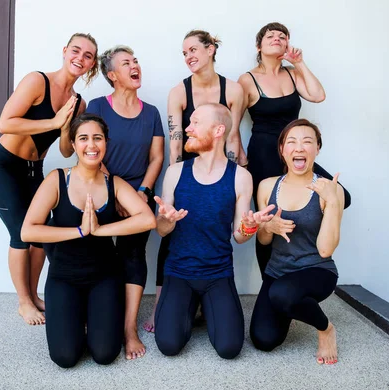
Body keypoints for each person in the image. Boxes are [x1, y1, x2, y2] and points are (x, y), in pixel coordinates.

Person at [0, 33, 98, 325]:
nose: (80, 58)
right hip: (2, 165)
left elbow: (65, 149)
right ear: (64, 51)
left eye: (88, 56)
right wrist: (54, 121)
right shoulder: (37, 81)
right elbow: (5, 123)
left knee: (39, 235)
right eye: (76, 51)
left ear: (92, 65)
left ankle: (32, 296)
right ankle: (23, 303)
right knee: (21, 232)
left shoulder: (78, 103)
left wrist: (70, 129)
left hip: (34, 170)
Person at [20, 114, 156, 368]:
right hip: (64, 277)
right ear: (73, 144)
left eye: (98, 138)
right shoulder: (57, 180)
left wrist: (100, 230)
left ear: (106, 143)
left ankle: (89, 316)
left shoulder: (114, 183)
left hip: (104, 277)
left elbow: (147, 219)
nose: (91, 145)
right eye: (83, 138)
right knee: (65, 357)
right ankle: (78, 315)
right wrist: (80, 231)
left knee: (105, 355)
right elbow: (28, 231)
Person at [144, 29, 246, 333]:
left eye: (193, 50)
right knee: (174, 231)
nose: (189, 57)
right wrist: (179, 182)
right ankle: (163, 306)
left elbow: (232, 133)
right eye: (184, 53)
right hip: (187, 167)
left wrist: (227, 175)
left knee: (214, 230)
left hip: (221, 164)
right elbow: (177, 142)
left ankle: (209, 298)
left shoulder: (234, 90)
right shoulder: (178, 92)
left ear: (211, 49)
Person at [154, 104, 274, 359]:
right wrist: (167, 220)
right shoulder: (175, 172)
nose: (187, 128)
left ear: (218, 130)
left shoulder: (241, 176)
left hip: (217, 274)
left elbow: (240, 236)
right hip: (179, 272)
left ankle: (204, 308)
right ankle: (193, 309)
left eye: (195, 122)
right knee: (168, 346)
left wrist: (251, 225)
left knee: (229, 349)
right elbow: (162, 231)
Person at [238, 22, 351, 276]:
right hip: (264, 152)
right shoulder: (248, 79)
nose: (277, 38)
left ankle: (305, 262)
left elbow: (318, 95)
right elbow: (234, 124)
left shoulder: (291, 73)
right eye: (270, 36)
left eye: (283, 36)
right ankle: (271, 281)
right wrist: (241, 161)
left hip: (296, 152)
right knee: (267, 217)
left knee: (341, 195)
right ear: (259, 45)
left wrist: (299, 62)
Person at [86, 45, 164, 360]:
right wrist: (115, 190)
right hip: (101, 184)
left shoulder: (152, 113)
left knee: (132, 253)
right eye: (126, 63)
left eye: (136, 61)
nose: (135, 66)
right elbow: (90, 148)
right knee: (96, 251)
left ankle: (129, 328)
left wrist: (142, 192)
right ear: (112, 75)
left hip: (139, 191)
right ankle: (97, 315)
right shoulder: (97, 106)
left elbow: (157, 157)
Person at [250, 119, 343, 365]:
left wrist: (332, 202)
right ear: (282, 150)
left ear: (317, 149)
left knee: (282, 294)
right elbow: (263, 239)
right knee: (263, 340)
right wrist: (267, 226)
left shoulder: (330, 190)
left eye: (307, 142)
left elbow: (325, 249)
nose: (299, 148)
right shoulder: (267, 186)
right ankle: (291, 304)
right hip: (278, 272)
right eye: (291, 142)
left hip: (316, 270)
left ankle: (325, 328)